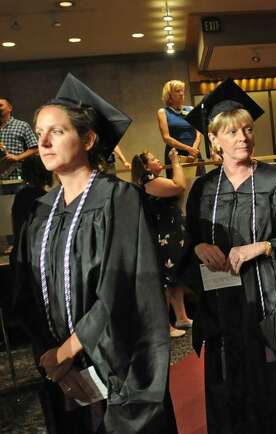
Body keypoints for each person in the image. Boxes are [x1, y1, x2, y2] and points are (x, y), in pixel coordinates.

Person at [11, 73, 178, 433]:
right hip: (60, 369)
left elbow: (122, 288)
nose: (42, 140)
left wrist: (69, 350)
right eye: (40, 131)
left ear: (88, 139)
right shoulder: (39, 211)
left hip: (116, 363)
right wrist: (50, 355)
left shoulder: (120, 199)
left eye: (56, 131)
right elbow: (26, 292)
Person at [184, 78, 276, 434]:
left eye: (247, 129)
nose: (242, 137)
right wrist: (198, 246)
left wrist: (262, 247)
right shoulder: (203, 189)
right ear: (214, 139)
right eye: (231, 132)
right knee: (230, 392)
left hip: (270, 306)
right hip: (223, 310)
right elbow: (188, 243)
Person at [131, 148, 193, 338]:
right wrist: (175, 161)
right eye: (153, 159)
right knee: (164, 283)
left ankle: (181, 317)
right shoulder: (148, 181)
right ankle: (164, 326)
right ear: (145, 166)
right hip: (161, 239)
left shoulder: (154, 180)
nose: (158, 160)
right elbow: (179, 185)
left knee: (175, 279)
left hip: (171, 235)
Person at [157, 79, 202, 177]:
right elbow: (166, 138)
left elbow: (199, 132)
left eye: (182, 91)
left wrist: (194, 149)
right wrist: (188, 149)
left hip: (194, 153)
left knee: (199, 183)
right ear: (169, 95)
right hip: (176, 154)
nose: (181, 94)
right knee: (179, 186)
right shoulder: (163, 112)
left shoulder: (191, 109)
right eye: (177, 91)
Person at [0, 97, 38, 181]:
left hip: (16, 176)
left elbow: (35, 148)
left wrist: (18, 157)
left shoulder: (22, 125)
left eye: (0, 105)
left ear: (10, 108)